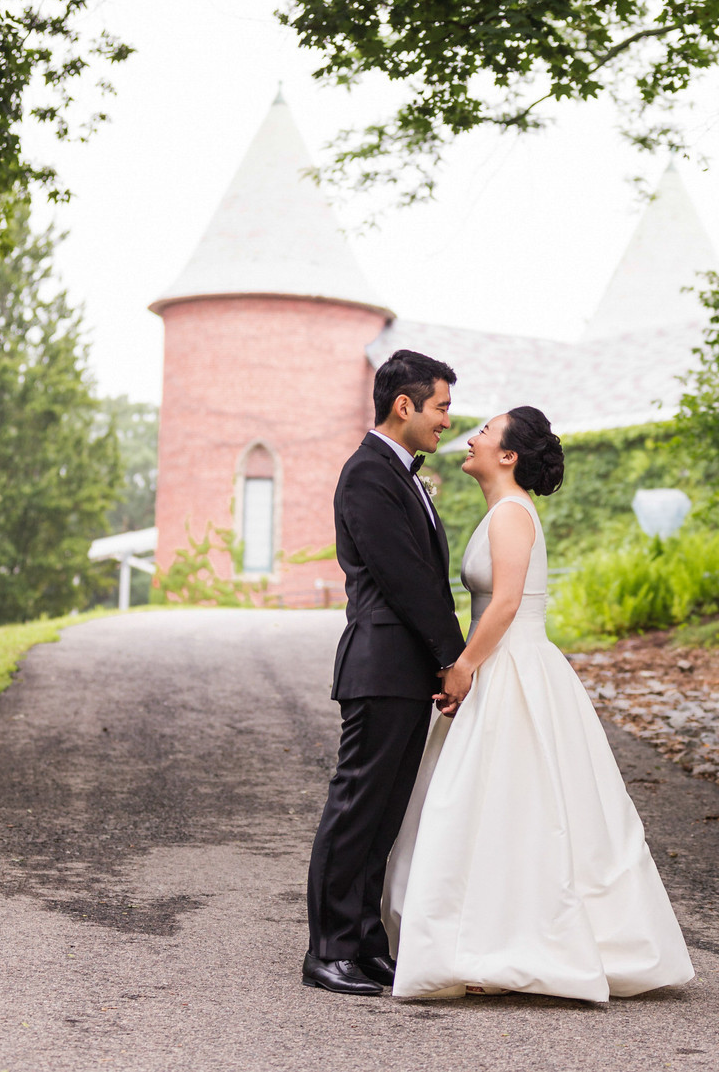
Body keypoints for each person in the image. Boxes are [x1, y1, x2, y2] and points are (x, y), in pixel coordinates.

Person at [383, 406, 695, 1000]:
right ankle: (482, 932)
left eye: (484, 432)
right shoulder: (504, 511)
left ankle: (508, 940)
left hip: (510, 666)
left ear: (508, 455)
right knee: (492, 803)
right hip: (505, 662)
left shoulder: (510, 515)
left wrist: (463, 667)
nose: (469, 437)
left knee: (510, 804)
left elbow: (504, 604)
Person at [303, 350, 466, 995]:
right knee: (355, 810)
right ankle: (329, 951)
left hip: (404, 673)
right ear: (406, 404)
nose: (447, 422)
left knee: (384, 815)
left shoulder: (401, 473)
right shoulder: (369, 473)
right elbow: (406, 580)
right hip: (378, 668)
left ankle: (366, 943)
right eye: (442, 407)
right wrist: (455, 659)